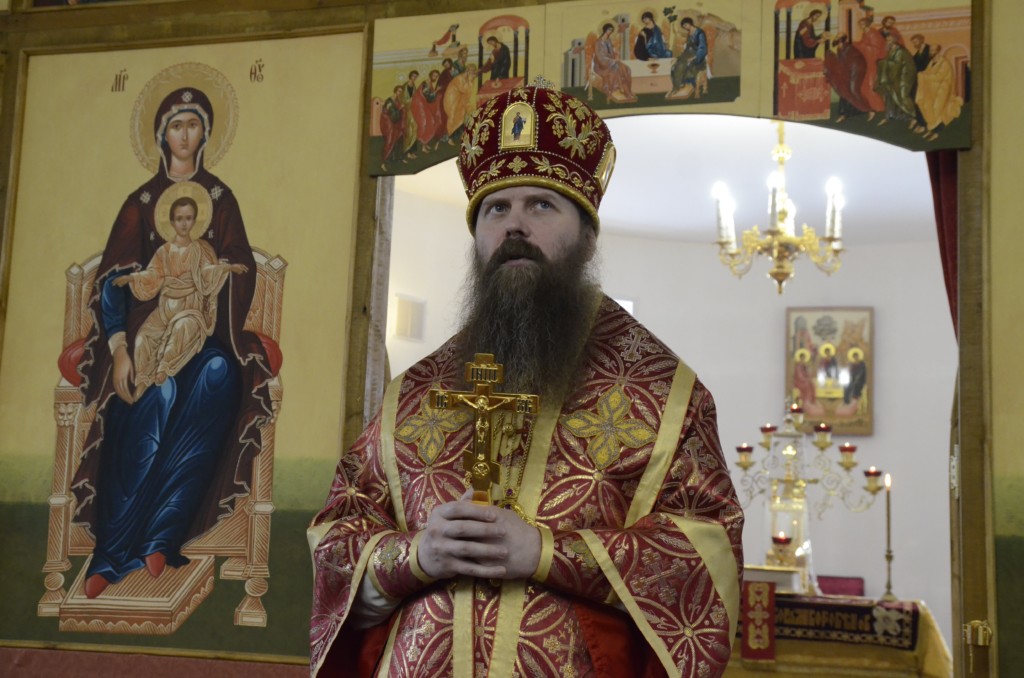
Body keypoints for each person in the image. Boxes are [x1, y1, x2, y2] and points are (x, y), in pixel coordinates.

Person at [308, 84, 743, 677]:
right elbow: (336, 538)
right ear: (478, 237)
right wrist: (415, 555)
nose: (514, 226)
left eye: (541, 205)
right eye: (496, 209)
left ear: (586, 234)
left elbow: (705, 557)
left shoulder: (661, 392)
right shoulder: (414, 393)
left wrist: (545, 552)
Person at [75, 86, 274, 599]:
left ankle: (162, 536)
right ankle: (113, 552)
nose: (185, 135)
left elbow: (239, 266)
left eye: (194, 125)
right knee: (154, 395)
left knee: (217, 376)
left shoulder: (220, 200)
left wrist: (218, 276)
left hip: (204, 333)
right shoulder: (140, 205)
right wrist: (120, 348)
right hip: (142, 338)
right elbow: (113, 283)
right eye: (176, 126)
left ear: (206, 133)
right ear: (162, 135)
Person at [112, 191, 249, 401]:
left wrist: (227, 268)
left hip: (190, 307)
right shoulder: (164, 251)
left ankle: (162, 374)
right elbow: (153, 274)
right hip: (165, 307)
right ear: (172, 222)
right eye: (179, 219)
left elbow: (207, 272)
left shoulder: (201, 250)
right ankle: (142, 383)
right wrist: (132, 278)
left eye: (188, 218)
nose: (184, 224)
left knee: (181, 329)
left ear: (194, 221)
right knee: (142, 339)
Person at [591, 22, 637, 103]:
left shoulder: (609, 41)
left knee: (626, 69)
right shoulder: (598, 42)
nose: (610, 32)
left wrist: (615, 58)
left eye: (611, 30)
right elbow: (600, 58)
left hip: (611, 62)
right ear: (605, 30)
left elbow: (611, 54)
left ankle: (627, 90)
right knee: (616, 69)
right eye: (609, 30)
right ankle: (617, 89)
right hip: (601, 65)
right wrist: (613, 61)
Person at [669, 17, 709, 100]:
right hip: (688, 54)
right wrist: (679, 57)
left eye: (686, 25)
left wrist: (695, 57)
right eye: (684, 26)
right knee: (675, 66)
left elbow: (702, 48)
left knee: (683, 66)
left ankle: (678, 87)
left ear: (690, 23)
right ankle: (677, 86)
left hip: (697, 56)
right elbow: (687, 47)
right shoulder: (689, 33)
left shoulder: (700, 33)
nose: (685, 27)